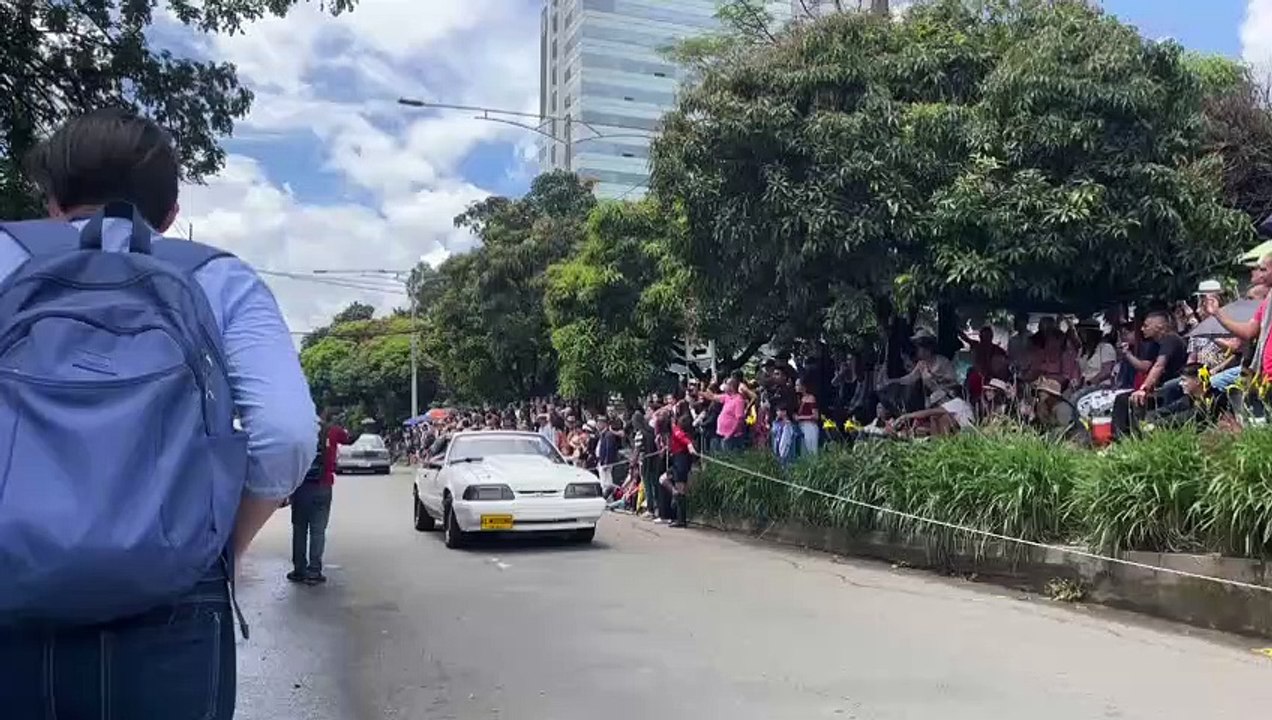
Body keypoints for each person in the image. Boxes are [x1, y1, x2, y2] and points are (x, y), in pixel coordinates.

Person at [0, 109, 316, 718]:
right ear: (170, 217)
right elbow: (285, 433)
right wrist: (225, 546)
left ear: (51, 201)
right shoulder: (218, 276)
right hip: (176, 598)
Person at [290, 411, 350, 585]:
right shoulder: (332, 431)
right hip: (323, 486)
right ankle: (314, 571)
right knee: (318, 531)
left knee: (299, 529)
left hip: (300, 488)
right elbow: (348, 438)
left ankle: (299, 570)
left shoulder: (298, 432)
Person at [665, 414, 698, 528]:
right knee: (679, 488)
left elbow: (682, 438)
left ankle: (681, 519)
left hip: (680, 460)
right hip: (682, 459)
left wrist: (690, 446)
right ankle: (680, 518)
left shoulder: (677, 430)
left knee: (680, 489)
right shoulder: (682, 431)